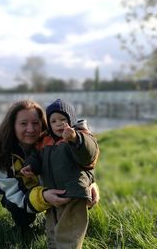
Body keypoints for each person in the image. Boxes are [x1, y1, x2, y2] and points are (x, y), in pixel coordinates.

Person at [0, 100, 100, 235]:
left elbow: (80, 159)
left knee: (78, 193)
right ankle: (23, 226)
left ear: (44, 123)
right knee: (22, 215)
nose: (30, 129)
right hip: (19, 195)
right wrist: (43, 197)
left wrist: (91, 182)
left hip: (53, 184)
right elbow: (14, 195)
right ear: (12, 126)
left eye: (35, 123)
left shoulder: (53, 139)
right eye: (23, 123)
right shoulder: (4, 157)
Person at [21, 98, 99, 248]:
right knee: (52, 231)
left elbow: (89, 155)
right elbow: (36, 158)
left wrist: (76, 139)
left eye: (63, 119)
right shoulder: (44, 141)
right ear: (49, 124)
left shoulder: (80, 136)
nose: (59, 124)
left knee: (69, 234)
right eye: (54, 121)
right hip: (52, 194)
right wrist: (30, 166)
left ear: (71, 120)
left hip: (74, 193)